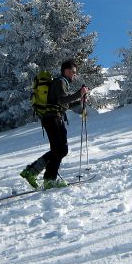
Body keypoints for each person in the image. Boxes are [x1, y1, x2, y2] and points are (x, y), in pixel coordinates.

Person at [20, 60, 89, 189]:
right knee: (60, 149)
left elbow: (63, 103)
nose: (74, 75)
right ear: (66, 71)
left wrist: (80, 99)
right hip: (53, 118)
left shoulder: (60, 83)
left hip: (52, 117)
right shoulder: (60, 81)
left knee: (59, 150)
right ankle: (47, 179)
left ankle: (35, 173)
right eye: (73, 72)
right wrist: (80, 93)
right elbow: (63, 99)